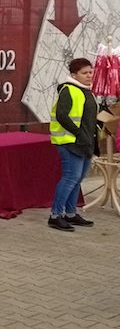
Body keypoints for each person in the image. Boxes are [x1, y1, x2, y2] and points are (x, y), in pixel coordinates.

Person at [48, 57, 98, 231]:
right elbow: (62, 116)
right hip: (70, 142)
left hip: (85, 143)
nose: (89, 75)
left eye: (90, 72)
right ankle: (55, 215)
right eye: (84, 73)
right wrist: (78, 133)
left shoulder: (87, 91)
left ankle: (70, 213)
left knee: (77, 180)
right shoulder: (68, 90)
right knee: (70, 178)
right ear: (74, 75)